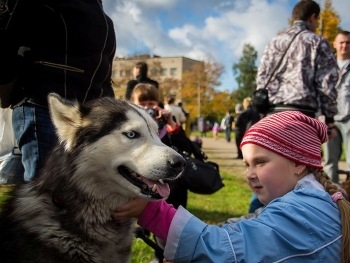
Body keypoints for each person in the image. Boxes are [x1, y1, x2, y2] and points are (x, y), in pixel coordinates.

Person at [113, 111, 350, 262]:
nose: (250, 175)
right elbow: (248, 226)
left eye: (260, 162)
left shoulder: (301, 214)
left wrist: (152, 212)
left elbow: (229, 251)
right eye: (247, 164)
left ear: (298, 163)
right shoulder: (311, 201)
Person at [0, 0, 116, 183]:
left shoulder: (101, 15)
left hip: (84, 116)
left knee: (74, 193)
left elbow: (102, 71)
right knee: (45, 191)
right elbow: (8, 41)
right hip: (42, 105)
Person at [130, 83, 190, 263]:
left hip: (172, 186)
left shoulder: (165, 125)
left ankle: (162, 255)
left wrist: (171, 123)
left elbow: (185, 147)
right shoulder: (130, 129)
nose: (147, 108)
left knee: (169, 225)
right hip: (143, 184)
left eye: (151, 103)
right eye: (142, 103)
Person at [256, 0, 338, 130]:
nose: (317, 25)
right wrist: (329, 118)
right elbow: (326, 83)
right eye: (317, 20)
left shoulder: (274, 42)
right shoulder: (317, 42)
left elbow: (261, 77)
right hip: (303, 115)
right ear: (313, 17)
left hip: (272, 116)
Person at [323, 30, 350, 183]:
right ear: (334, 44)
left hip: (349, 119)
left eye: (348, 42)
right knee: (329, 161)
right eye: (341, 42)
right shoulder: (326, 66)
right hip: (329, 119)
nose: (344, 46)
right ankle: (331, 200)